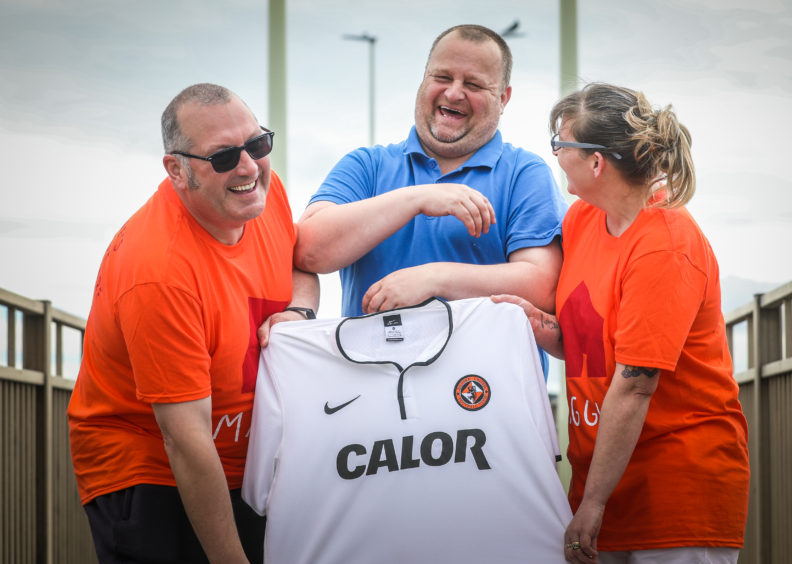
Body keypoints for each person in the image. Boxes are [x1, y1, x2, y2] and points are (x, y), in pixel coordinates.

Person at [494, 82, 750, 564]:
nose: (554, 154)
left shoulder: (665, 243)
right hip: (609, 486)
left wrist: (592, 503)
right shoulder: (582, 221)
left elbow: (636, 383)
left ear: (596, 162)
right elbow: (595, 343)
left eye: (560, 143)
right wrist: (541, 326)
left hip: (675, 491)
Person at [67, 83, 319, 564]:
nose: (248, 166)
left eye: (258, 144)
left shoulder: (261, 193)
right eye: (223, 156)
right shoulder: (159, 270)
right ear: (176, 170)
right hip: (150, 468)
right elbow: (184, 439)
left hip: (243, 457)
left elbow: (302, 261)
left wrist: (301, 311)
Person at [294, 24, 566, 323]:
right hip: (371, 368)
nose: (453, 92)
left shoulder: (525, 174)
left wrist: (436, 279)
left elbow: (543, 286)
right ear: (423, 80)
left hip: (485, 371)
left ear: (503, 98)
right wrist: (418, 199)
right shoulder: (366, 165)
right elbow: (308, 250)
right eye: (442, 77)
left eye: (474, 85)